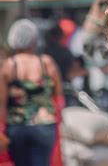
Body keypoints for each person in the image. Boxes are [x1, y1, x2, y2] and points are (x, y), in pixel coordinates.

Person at [0, 19, 63, 166]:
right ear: (35, 40)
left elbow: (1, 102)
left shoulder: (9, 66)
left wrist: (1, 129)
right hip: (45, 124)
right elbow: (59, 96)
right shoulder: (47, 62)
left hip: (17, 126)